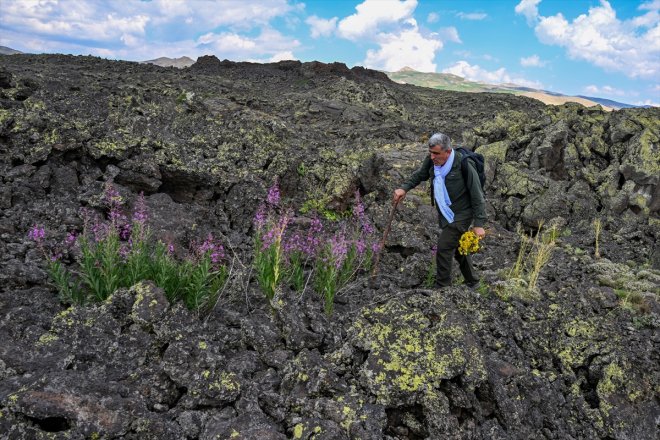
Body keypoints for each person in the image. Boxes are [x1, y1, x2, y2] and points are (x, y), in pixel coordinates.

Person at [393, 132, 486, 288]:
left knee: (443, 247)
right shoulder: (432, 161)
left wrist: (479, 223)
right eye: (430, 153)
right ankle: (473, 282)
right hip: (446, 212)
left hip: (462, 213)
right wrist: (404, 188)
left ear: (448, 152)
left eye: (436, 153)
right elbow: (420, 175)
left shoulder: (464, 164)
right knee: (457, 246)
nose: (432, 157)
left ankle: (442, 287)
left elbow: (477, 195)